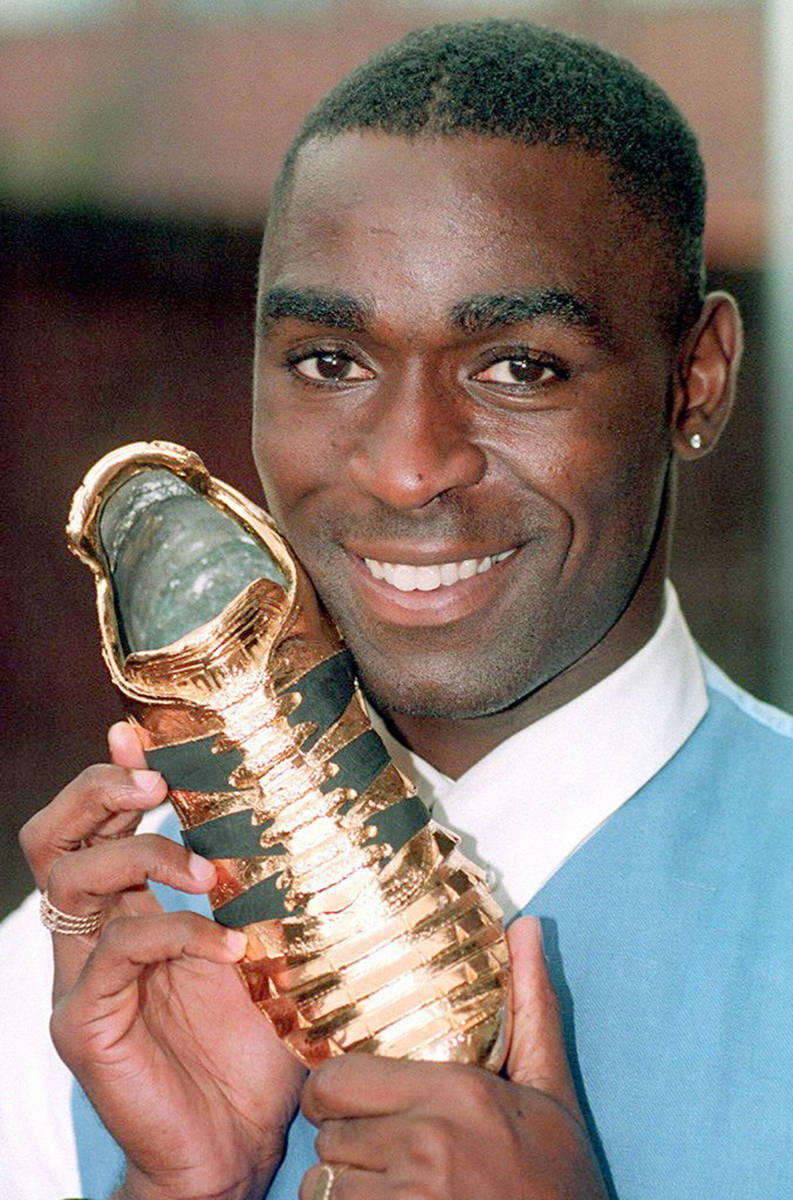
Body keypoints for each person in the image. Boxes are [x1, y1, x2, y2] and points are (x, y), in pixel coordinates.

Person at [4, 18, 791, 1200]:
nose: (405, 465)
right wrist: (178, 1189)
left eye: (518, 367)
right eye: (330, 361)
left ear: (697, 381)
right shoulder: (90, 968)